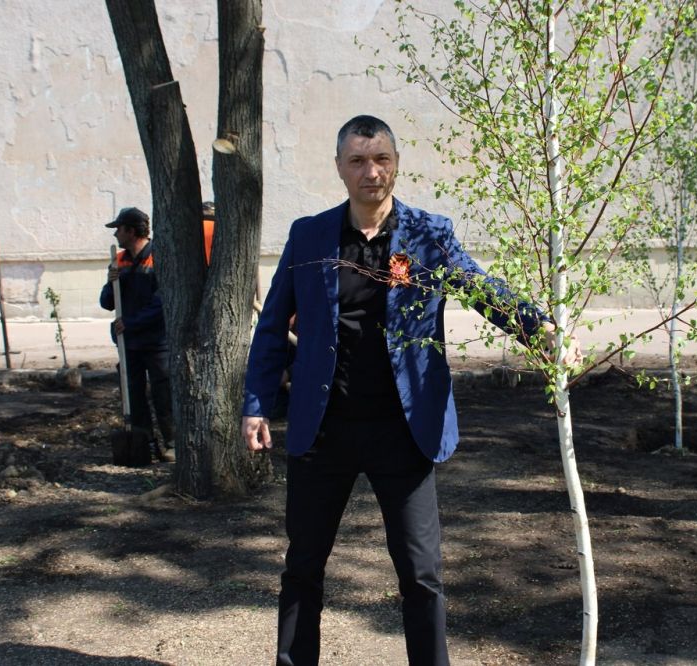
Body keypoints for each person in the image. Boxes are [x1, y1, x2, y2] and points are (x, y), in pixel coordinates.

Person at [241, 115, 578, 666]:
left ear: (396, 164)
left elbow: (479, 286)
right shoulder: (310, 235)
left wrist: (538, 328)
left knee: (421, 574)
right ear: (339, 168)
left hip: (402, 430)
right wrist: (256, 404)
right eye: (358, 161)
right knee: (302, 567)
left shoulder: (427, 235)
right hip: (323, 430)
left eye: (381, 160)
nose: (371, 172)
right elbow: (273, 325)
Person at [100, 207, 175, 462]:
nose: (116, 235)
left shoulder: (158, 258)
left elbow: (161, 303)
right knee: (133, 395)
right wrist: (112, 282)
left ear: (131, 231)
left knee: (164, 394)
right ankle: (145, 444)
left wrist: (131, 323)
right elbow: (107, 303)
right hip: (129, 343)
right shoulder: (119, 261)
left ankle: (173, 443)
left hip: (157, 342)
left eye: (118, 230)